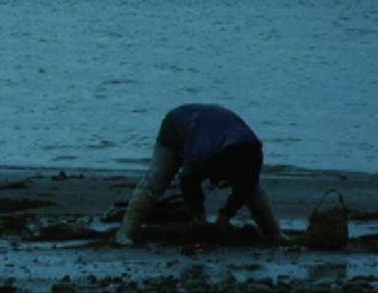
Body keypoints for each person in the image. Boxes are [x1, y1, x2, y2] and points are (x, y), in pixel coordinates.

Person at [116, 103, 289, 246]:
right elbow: (186, 179)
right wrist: (198, 215)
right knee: (155, 181)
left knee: (254, 190)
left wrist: (225, 216)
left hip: (212, 128)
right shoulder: (203, 154)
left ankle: (274, 233)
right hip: (175, 126)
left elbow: (247, 186)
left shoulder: (252, 151)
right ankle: (125, 233)